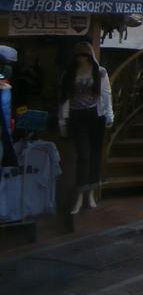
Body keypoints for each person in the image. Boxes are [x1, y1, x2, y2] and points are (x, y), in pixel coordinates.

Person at [57, 41, 113, 215]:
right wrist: (62, 120)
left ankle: (90, 194)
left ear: (90, 56)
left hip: (95, 116)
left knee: (95, 154)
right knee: (83, 155)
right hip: (77, 115)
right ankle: (80, 196)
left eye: (84, 56)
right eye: (78, 56)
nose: (81, 59)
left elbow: (106, 94)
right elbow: (64, 97)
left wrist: (109, 114)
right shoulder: (69, 73)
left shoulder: (100, 72)